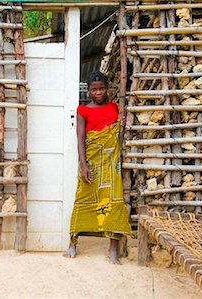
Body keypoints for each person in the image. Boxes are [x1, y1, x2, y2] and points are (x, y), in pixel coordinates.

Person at [63, 71, 131, 265]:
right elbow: (81, 139)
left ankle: (113, 250)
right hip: (91, 163)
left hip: (111, 165)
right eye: (94, 89)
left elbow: (117, 133)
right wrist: (83, 166)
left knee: (113, 202)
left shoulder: (115, 108)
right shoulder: (82, 110)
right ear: (88, 91)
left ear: (107, 89)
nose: (98, 92)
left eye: (101, 88)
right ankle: (73, 243)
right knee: (82, 198)